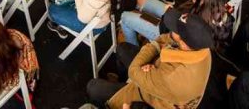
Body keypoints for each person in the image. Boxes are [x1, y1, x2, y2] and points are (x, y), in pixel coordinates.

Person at [86, 9, 214, 109]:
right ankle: (124, 81)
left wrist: (154, 47)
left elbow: (134, 70)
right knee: (122, 48)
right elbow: (165, 37)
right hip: (157, 75)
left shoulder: (173, 77)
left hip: (151, 99)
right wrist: (153, 62)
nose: (171, 29)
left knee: (93, 87)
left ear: (184, 44)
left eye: (176, 29)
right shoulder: (203, 49)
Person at [121, 0, 231, 47]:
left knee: (125, 17)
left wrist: (167, 15)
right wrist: (172, 10)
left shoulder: (199, 26)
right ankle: (137, 17)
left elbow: (177, 38)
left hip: (166, 32)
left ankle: (132, 49)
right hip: (172, 16)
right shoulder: (210, 4)